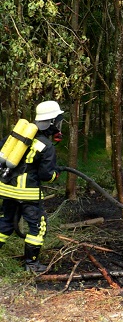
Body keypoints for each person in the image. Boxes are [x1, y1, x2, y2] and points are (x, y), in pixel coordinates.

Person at [0, 101, 63, 272]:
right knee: (38, 227)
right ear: (51, 122)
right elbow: (46, 176)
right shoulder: (46, 146)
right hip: (28, 194)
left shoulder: (17, 136)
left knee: (6, 222)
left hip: (7, 190)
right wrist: (56, 173)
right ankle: (32, 264)